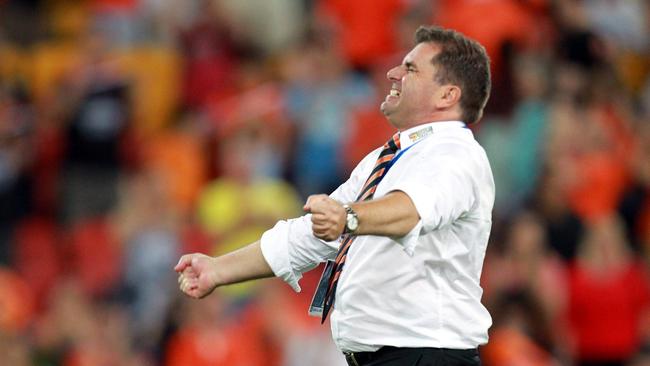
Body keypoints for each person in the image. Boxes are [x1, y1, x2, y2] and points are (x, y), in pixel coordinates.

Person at [176, 25, 494, 366]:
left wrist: (348, 218)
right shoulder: (384, 158)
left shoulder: (456, 154)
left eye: (411, 68)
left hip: (426, 357)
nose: (393, 72)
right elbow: (307, 234)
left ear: (447, 95)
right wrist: (218, 270)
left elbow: (411, 211)